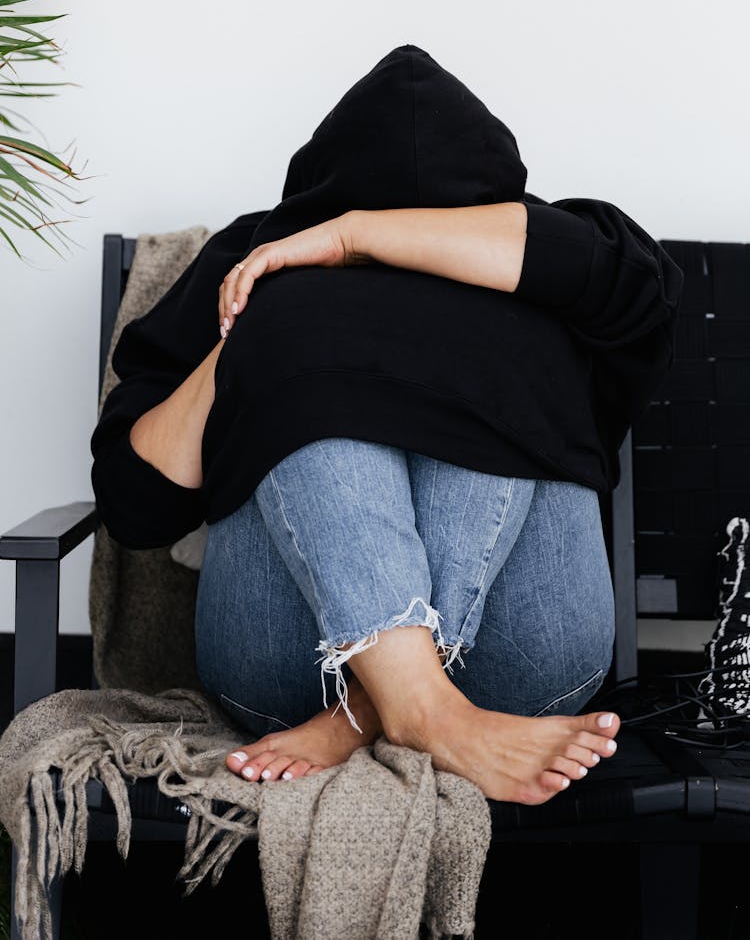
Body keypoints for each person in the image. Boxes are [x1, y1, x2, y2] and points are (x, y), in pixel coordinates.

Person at [90, 45, 684, 805]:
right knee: (294, 324)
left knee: (516, 325)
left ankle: (381, 709)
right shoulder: (248, 260)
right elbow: (136, 502)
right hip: (287, 666)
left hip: (518, 656)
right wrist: (260, 334)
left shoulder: (578, 249)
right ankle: (428, 709)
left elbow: (641, 293)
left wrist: (354, 236)